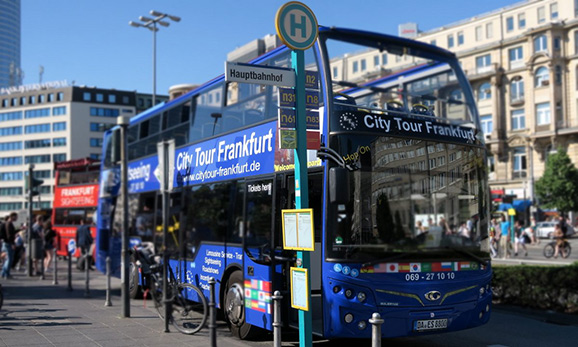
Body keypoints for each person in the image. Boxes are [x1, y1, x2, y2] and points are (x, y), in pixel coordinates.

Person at [1, 212, 18, 279]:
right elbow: (9, 235)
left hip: (7, 243)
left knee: (8, 259)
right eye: (16, 217)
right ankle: (6, 274)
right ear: (12, 216)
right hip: (8, 243)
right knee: (10, 259)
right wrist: (12, 243)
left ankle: (3, 273)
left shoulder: (7, 223)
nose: (16, 218)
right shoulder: (9, 224)